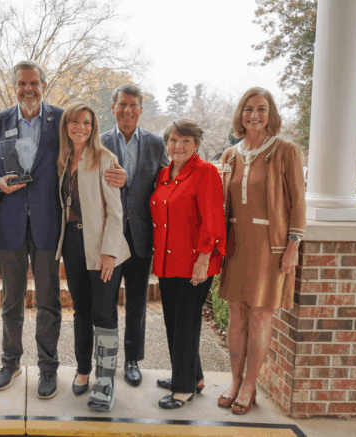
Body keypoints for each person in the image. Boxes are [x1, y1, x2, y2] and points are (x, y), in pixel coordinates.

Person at [0, 60, 64, 398]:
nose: (28, 89)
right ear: (13, 86)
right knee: (11, 301)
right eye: (21, 84)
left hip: (47, 224)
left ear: (44, 84)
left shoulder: (60, 120)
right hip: (9, 223)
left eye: (34, 83)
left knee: (48, 301)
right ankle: (10, 362)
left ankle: (48, 368)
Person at [218, 87, 306, 415]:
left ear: (271, 114)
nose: (254, 115)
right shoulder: (230, 154)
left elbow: (298, 200)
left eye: (261, 109)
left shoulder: (285, 151)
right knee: (237, 315)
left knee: (259, 316)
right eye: (248, 108)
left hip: (271, 247)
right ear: (240, 114)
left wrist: (293, 245)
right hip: (236, 244)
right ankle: (235, 379)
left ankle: (250, 384)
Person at [56, 102, 130, 411]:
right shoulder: (62, 159)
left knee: (104, 313)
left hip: (102, 246)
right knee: (81, 311)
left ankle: (106, 379)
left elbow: (115, 212)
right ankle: (83, 369)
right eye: (75, 122)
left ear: (93, 126)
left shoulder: (105, 158)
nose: (81, 128)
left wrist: (110, 253)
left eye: (86, 122)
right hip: (73, 243)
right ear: (67, 126)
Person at [150, 118, 226, 410]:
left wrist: (204, 259)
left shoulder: (206, 172)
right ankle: (192, 376)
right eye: (173, 140)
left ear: (196, 145)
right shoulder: (164, 174)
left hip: (195, 262)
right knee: (174, 321)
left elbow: (213, 219)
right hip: (168, 262)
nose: (178, 146)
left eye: (186, 141)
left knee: (185, 323)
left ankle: (183, 390)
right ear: (166, 143)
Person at [100, 83, 169, 387]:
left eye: (133, 105)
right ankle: (107, 359)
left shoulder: (156, 144)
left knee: (137, 303)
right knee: (106, 301)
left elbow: (168, 184)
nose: (127, 110)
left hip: (141, 236)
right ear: (112, 108)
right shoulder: (99, 142)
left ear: (141, 109)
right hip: (110, 237)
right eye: (121, 105)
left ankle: (132, 360)